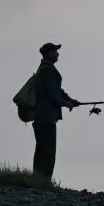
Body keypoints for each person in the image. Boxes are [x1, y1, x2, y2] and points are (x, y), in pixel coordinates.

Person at [32, 42, 80, 180]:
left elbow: (58, 91)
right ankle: (43, 181)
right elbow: (53, 94)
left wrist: (70, 100)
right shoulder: (47, 70)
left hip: (44, 117)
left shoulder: (46, 69)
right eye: (55, 51)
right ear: (48, 53)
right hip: (45, 117)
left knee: (43, 150)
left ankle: (39, 180)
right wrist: (65, 103)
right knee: (47, 152)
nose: (58, 54)